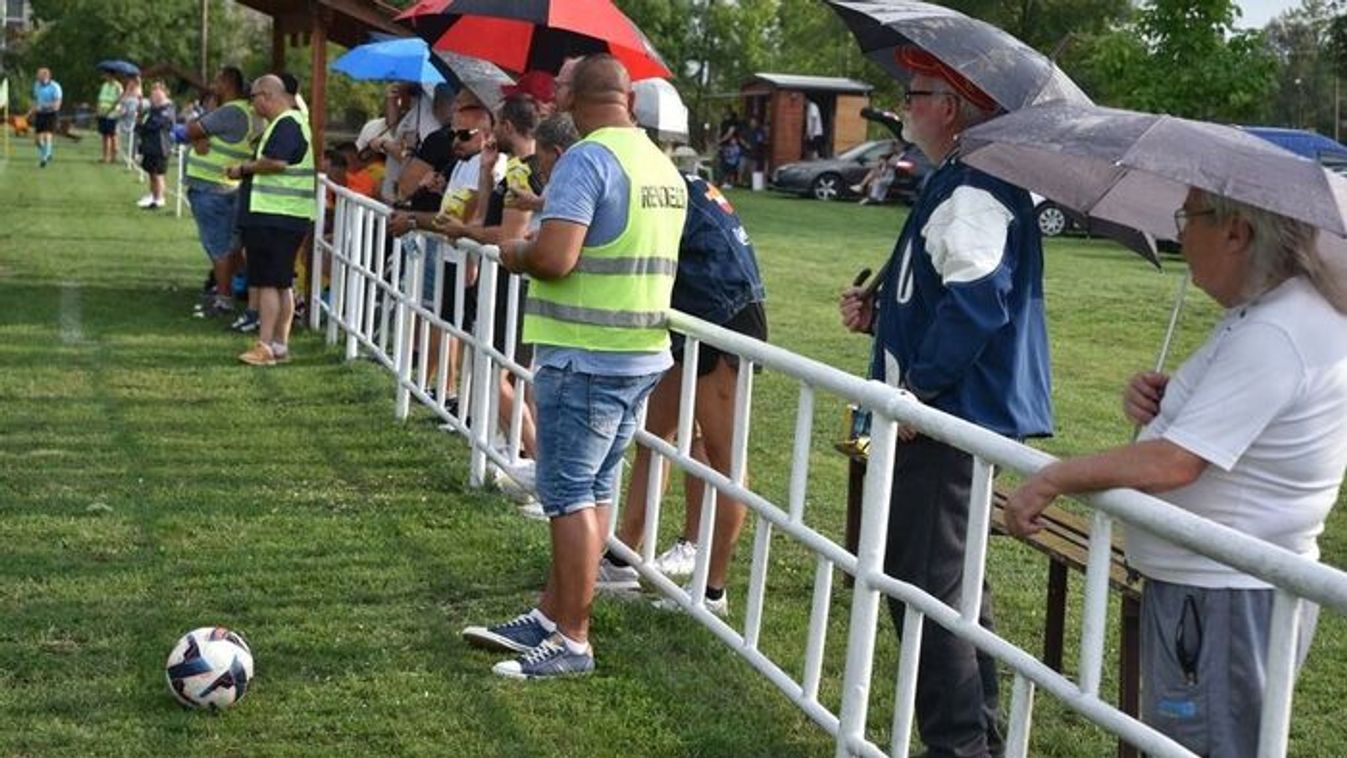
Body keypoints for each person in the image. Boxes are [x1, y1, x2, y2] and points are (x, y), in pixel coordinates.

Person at [1005, 188, 1347, 756]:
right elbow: (1213, 433)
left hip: (1221, 600)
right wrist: (1169, 402)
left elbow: (1175, 462)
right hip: (1216, 594)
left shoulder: (1276, 331)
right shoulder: (1272, 316)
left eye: (1189, 218)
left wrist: (1053, 478)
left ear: (1236, 232)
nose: (1180, 233)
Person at [837, 48, 1051, 758]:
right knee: (943, 588)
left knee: (928, 593)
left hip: (943, 424)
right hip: (940, 420)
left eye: (914, 94)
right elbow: (949, 293)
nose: (903, 107)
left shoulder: (972, 186)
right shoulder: (959, 180)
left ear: (951, 107)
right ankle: (973, 735)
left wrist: (916, 393)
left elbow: (976, 307)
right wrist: (884, 309)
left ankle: (959, 745)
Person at [461, 54, 688, 680]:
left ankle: (572, 638)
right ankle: (551, 613)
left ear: (575, 100)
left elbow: (557, 258)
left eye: (559, 88)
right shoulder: (659, 163)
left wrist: (514, 254)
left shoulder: (588, 159)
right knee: (596, 489)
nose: (551, 96)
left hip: (586, 354)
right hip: (639, 352)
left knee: (566, 495)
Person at [603, 164, 769, 613]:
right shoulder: (667, 177)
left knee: (724, 459)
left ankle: (712, 590)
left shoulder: (651, 182)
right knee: (655, 437)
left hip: (722, 314)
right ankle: (622, 557)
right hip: (696, 312)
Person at [434, 93, 544, 466]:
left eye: (496, 124)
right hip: (505, 282)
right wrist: (485, 170)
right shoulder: (510, 168)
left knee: (497, 375)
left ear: (509, 127)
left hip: (515, 285)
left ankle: (540, 461)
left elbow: (505, 236)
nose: (490, 131)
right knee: (513, 376)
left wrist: (462, 230)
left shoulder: (525, 172)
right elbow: (484, 219)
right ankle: (523, 450)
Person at [225, 75, 315, 367]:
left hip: (275, 215)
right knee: (280, 283)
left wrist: (243, 169)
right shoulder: (295, 121)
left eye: (253, 98)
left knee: (266, 283)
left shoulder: (286, 123)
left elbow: (276, 162)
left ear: (267, 96)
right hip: (286, 214)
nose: (252, 105)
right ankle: (279, 345)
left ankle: (265, 345)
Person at [181, 66, 256, 318]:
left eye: (217, 79)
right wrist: (200, 135)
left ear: (227, 82)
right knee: (229, 245)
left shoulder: (231, 112)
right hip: (225, 186)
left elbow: (191, 128)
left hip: (212, 187)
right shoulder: (246, 112)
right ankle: (231, 290)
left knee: (218, 246)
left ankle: (223, 299)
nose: (213, 84)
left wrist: (198, 133)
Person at [135, 81, 176, 210]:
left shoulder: (168, 109)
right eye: (153, 94)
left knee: (158, 174)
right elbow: (141, 125)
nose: (154, 97)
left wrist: (144, 124)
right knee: (151, 173)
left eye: (157, 94)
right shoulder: (153, 109)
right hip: (150, 145)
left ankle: (159, 199)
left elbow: (156, 124)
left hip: (161, 146)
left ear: (163, 94)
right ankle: (153, 195)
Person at [28, 67, 62, 168]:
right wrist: (31, 110)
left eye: (39, 75)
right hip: (40, 114)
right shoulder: (36, 85)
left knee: (47, 135)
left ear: (46, 76)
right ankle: (47, 153)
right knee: (38, 141)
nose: (37, 76)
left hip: (51, 114)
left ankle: (44, 158)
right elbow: (35, 100)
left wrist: (43, 106)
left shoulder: (55, 87)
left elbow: (57, 105)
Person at [96, 71, 123, 164]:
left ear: (112, 76)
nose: (105, 76)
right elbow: (100, 98)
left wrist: (109, 110)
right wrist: (99, 109)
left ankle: (113, 157)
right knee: (104, 135)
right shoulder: (104, 85)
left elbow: (119, 100)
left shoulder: (118, 86)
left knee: (112, 135)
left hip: (112, 114)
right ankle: (105, 157)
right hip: (102, 113)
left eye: (107, 75)